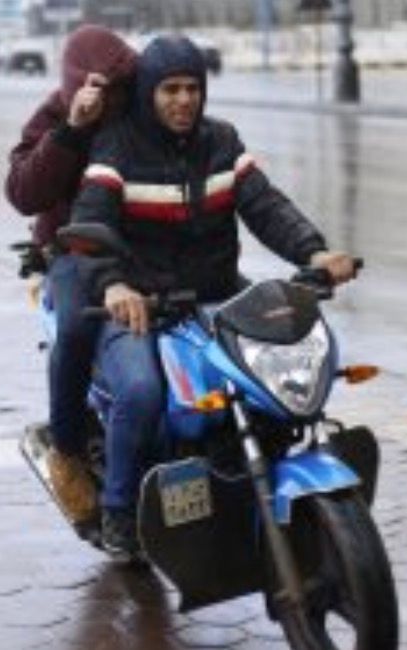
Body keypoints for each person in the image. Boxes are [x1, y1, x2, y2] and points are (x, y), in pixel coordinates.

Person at [70, 35, 357, 560]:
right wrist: (114, 284)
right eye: (170, 89)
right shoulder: (118, 146)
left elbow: (266, 206)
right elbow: (89, 227)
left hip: (216, 292)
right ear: (149, 93)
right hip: (141, 305)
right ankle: (118, 512)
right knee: (141, 391)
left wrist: (314, 252)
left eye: (192, 88)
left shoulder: (221, 141)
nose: (183, 100)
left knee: (282, 354)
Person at [4, 25, 137, 527]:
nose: (114, 99)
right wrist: (72, 131)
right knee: (79, 324)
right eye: (104, 88)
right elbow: (24, 193)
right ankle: (67, 449)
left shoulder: (138, 110)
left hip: (142, 245)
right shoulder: (55, 115)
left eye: (122, 88)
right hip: (70, 250)